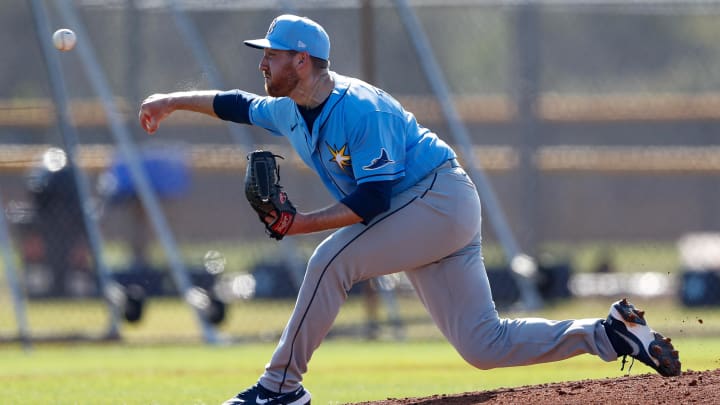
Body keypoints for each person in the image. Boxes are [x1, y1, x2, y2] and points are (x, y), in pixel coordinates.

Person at [138, 14, 681, 405]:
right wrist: (170, 100)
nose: (263, 62)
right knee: (482, 345)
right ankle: (609, 333)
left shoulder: (358, 107)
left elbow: (373, 200)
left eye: (272, 54)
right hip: (419, 215)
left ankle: (280, 388)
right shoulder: (288, 108)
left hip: (436, 200)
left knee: (330, 261)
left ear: (301, 61)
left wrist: (302, 224)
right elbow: (235, 104)